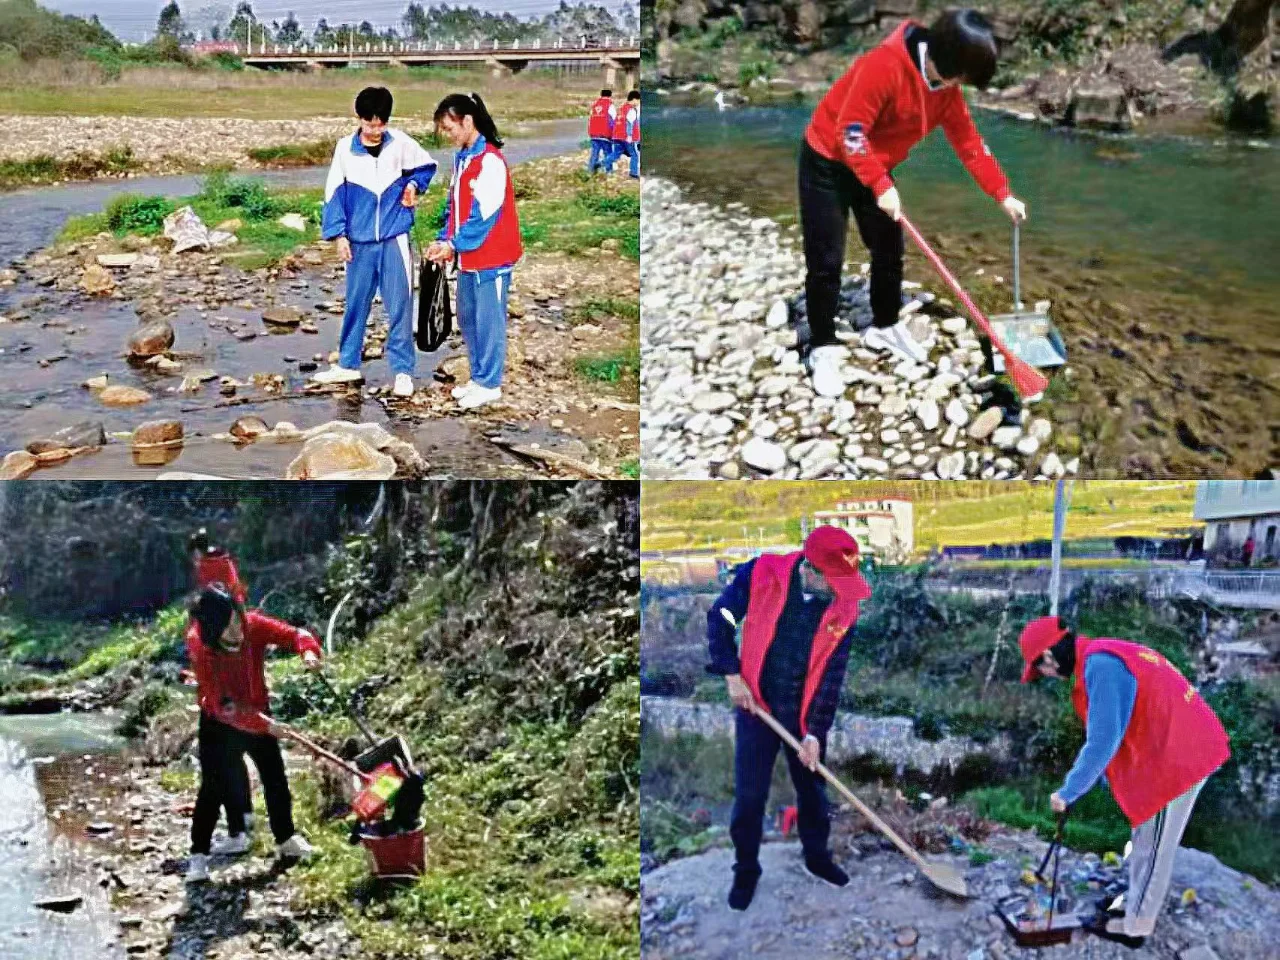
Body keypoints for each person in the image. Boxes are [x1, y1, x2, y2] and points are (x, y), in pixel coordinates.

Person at [799, 9, 1028, 397]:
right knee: (826, 260)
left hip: (875, 164)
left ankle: (884, 326)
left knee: (889, 249)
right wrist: (880, 184)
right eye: (962, 78)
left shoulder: (946, 89)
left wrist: (1002, 193)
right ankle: (822, 345)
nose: (961, 87)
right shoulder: (883, 67)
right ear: (947, 61)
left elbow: (970, 145)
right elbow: (849, 133)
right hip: (827, 160)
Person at [1017, 616, 1230, 947]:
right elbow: (1122, 723)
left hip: (1181, 756)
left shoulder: (1101, 667)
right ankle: (1136, 901)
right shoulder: (1101, 656)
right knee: (1145, 835)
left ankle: (1136, 927)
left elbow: (1103, 740)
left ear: (1048, 656)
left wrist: (1069, 791)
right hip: (1172, 746)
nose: (1045, 676)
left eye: (1040, 669)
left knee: (1154, 844)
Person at [706, 526, 873, 911]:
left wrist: (815, 732)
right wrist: (731, 673)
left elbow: (832, 677)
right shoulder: (760, 573)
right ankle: (746, 870)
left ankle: (816, 857)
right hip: (756, 706)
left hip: (804, 713)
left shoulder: (844, 608)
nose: (840, 590)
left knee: (813, 792)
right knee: (750, 797)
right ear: (810, 570)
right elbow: (721, 617)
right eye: (834, 580)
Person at [185, 585, 324, 883]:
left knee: (275, 776)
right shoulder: (200, 647)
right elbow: (225, 705)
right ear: (212, 629)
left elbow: (295, 634)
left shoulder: (253, 625)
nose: (238, 630)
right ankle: (198, 857)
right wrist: (265, 726)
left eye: (237, 620)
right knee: (212, 788)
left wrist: (308, 652)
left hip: (258, 709)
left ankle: (286, 839)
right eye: (228, 626)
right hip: (219, 721)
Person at [315, 86, 438, 398]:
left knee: (400, 305)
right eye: (369, 124)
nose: (375, 130)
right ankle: (348, 364)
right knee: (356, 303)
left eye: (380, 124)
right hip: (358, 242)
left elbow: (426, 168)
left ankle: (403, 372)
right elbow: (333, 194)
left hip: (394, 238)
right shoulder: (344, 149)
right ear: (359, 119)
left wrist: (413, 185)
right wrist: (339, 236)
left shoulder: (401, 143)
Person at [425, 93, 523, 412]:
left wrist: (453, 245)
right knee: (468, 319)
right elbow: (454, 207)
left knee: (489, 321)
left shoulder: (490, 160)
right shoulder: (463, 158)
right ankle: (478, 377)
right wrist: (444, 239)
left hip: (492, 257)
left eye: (449, 128)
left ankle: (490, 384)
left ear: (467, 121)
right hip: (469, 258)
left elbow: (484, 216)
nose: (448, 135)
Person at [187, 529, 253, 846]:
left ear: (196, 553)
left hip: (219, 683)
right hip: (232, 670)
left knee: (218, 764)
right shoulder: (226, 566)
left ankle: (237, 830)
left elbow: (207, 624)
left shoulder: (208, 573)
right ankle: (244, 818)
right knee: (232, 757)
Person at [607, 90, 641, 179]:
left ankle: (601, 163)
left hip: (616, 136)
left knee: (616, 154)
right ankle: (634, 173)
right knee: (634, 154)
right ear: (634, 99)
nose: (638, 103)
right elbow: (630, 123)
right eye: (638, 101)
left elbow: (615, 122)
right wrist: (629, 135)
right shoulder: (631, 110)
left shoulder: (621, 109)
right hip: (626, 137)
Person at [587, 88, 616, 174]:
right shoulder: (610, 105)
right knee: (607, 153)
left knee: (594, 153)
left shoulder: (594, 106)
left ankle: (591, 171)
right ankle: (609, 171)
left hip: (594, 134)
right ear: (610, 96)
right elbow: (614, 119)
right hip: (605, 134)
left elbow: (590, 119)